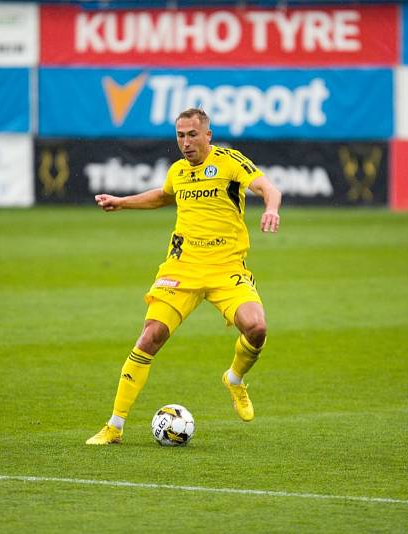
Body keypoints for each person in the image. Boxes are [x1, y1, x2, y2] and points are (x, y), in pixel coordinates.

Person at [86, 108, 281, 445]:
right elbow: (163, 196)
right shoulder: (178, 171)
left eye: (192, 135)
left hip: (226, 268)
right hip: (182, 267)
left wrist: (271, 208)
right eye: (180, 135)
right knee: (150, 336)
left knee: (257, 328)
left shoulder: (230, 161)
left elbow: (267, 187)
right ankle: (114, 426)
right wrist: (122, 202)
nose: (186, 142)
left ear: (208, 135)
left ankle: (234, 379)